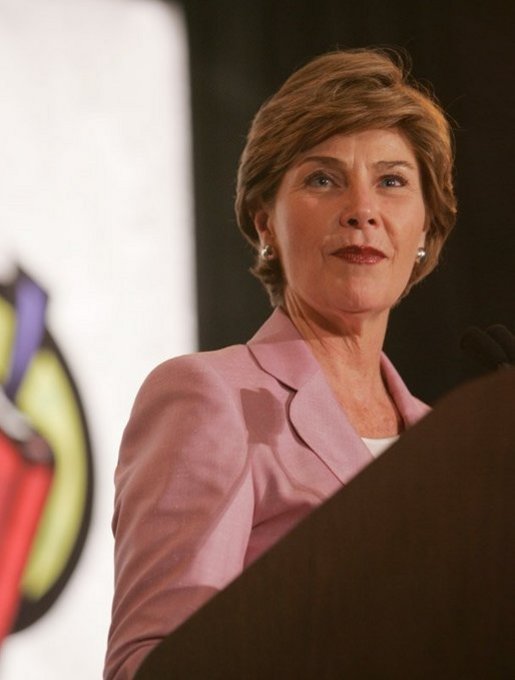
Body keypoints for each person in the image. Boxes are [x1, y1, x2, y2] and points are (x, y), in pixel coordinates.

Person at [104, 47, 456, 679]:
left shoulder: (450, 447)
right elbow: (150, 664)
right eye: (322, 178)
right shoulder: (208, 398)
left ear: (427, 226)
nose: (362, 209)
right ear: (266, 221)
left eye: (393, 181)